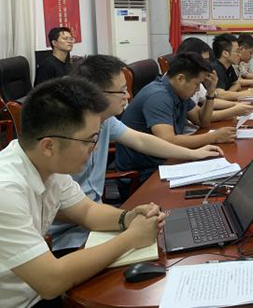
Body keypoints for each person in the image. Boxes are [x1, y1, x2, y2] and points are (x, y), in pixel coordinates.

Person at [0, 77, 165, 308]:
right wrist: (131, 238)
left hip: (36, 292)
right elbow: (50, 281)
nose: (94, 149)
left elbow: (86, 211)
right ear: (49, 146)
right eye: (89, 140)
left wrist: (128, 218)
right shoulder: (6, 190)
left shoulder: (48, 166)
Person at [47, 55, 224, 255]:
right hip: (67, 237)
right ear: (96, 94)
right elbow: (71, 211)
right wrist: (126, 223)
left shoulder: (105, 120)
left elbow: (141, 140)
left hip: (99, 221)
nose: (128, 95)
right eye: (122, 90)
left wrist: (193, 154)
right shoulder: (63, 138)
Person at [115, 52, 236, 183]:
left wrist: (211, 92)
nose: (197, 90)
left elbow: (202, 121)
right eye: (197, 84)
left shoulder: (178, 91)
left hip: (166, 162)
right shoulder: (158, 96)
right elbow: (168, 140)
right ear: (180, 79)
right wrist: (214, 137)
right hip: (143, 173)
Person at [176, 37, 253, 119]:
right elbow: (202, 117)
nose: (207, 65)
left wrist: (236, 104)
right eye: (205, 61)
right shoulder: (214, 69)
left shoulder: (196, 78)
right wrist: (235, 108)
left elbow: (203, 113)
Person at [210, 34, 253, 101]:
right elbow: (220, 95)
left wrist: (228, 94)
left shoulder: (229, 66)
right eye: (237, 51)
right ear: (225, 53)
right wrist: (249, 93)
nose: (240, 54)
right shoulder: (215, 68)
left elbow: (237, 84)